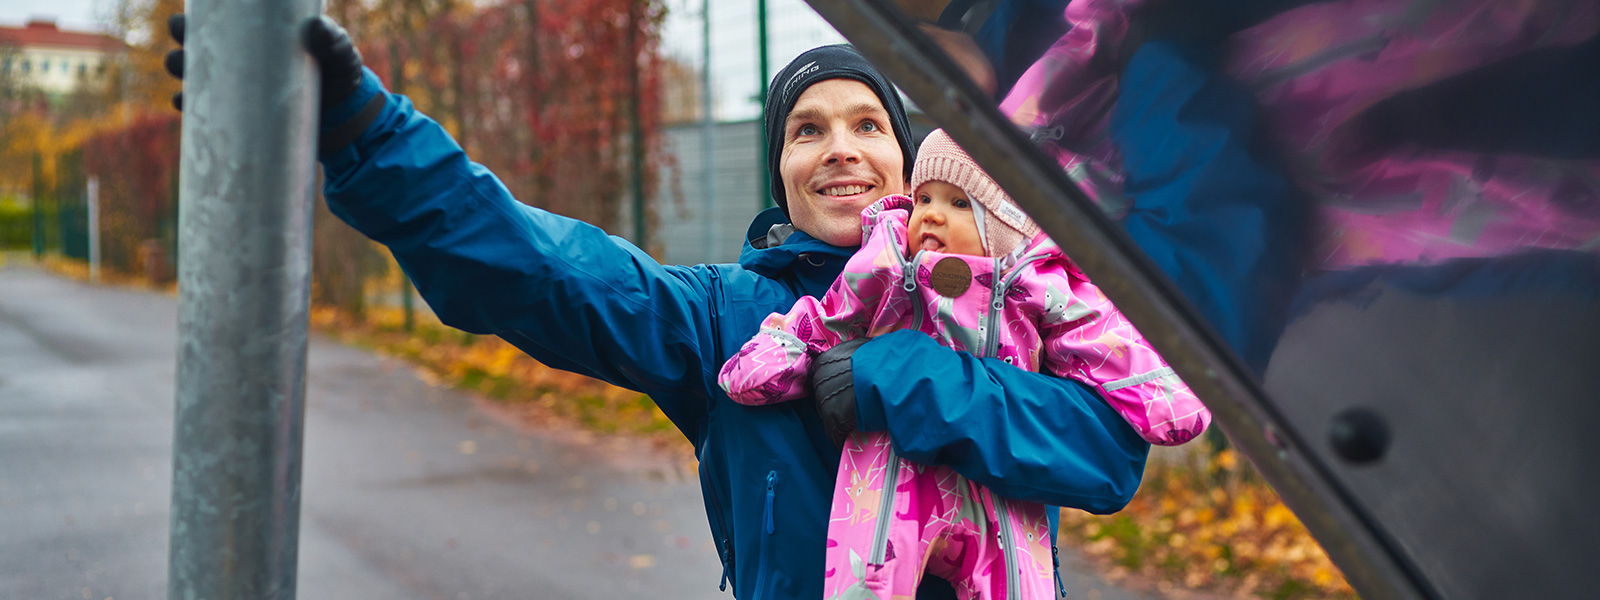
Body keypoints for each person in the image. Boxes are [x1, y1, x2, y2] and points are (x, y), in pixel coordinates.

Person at [164, 17, 1151, 600]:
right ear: (781, 174)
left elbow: (1108, 451)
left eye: (865, 125)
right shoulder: (734, 322)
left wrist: (906, 376)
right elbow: (545, 272)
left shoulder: (1002, 302)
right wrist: (369, 135)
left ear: (905, 160)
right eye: (806, 131)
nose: (839, 148)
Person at [719, 129, 1209, 600]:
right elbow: (829, 318)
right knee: (863, 574)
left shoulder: (1037, 284)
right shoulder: (885, 263)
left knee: (1018, 584)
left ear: (1002, 222)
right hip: (893, 468)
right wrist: (775, 353)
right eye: (925, 198)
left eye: (958, 204)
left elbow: (1102, 340)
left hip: (1000, 494)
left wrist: (1162, 393)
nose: (931, 215)